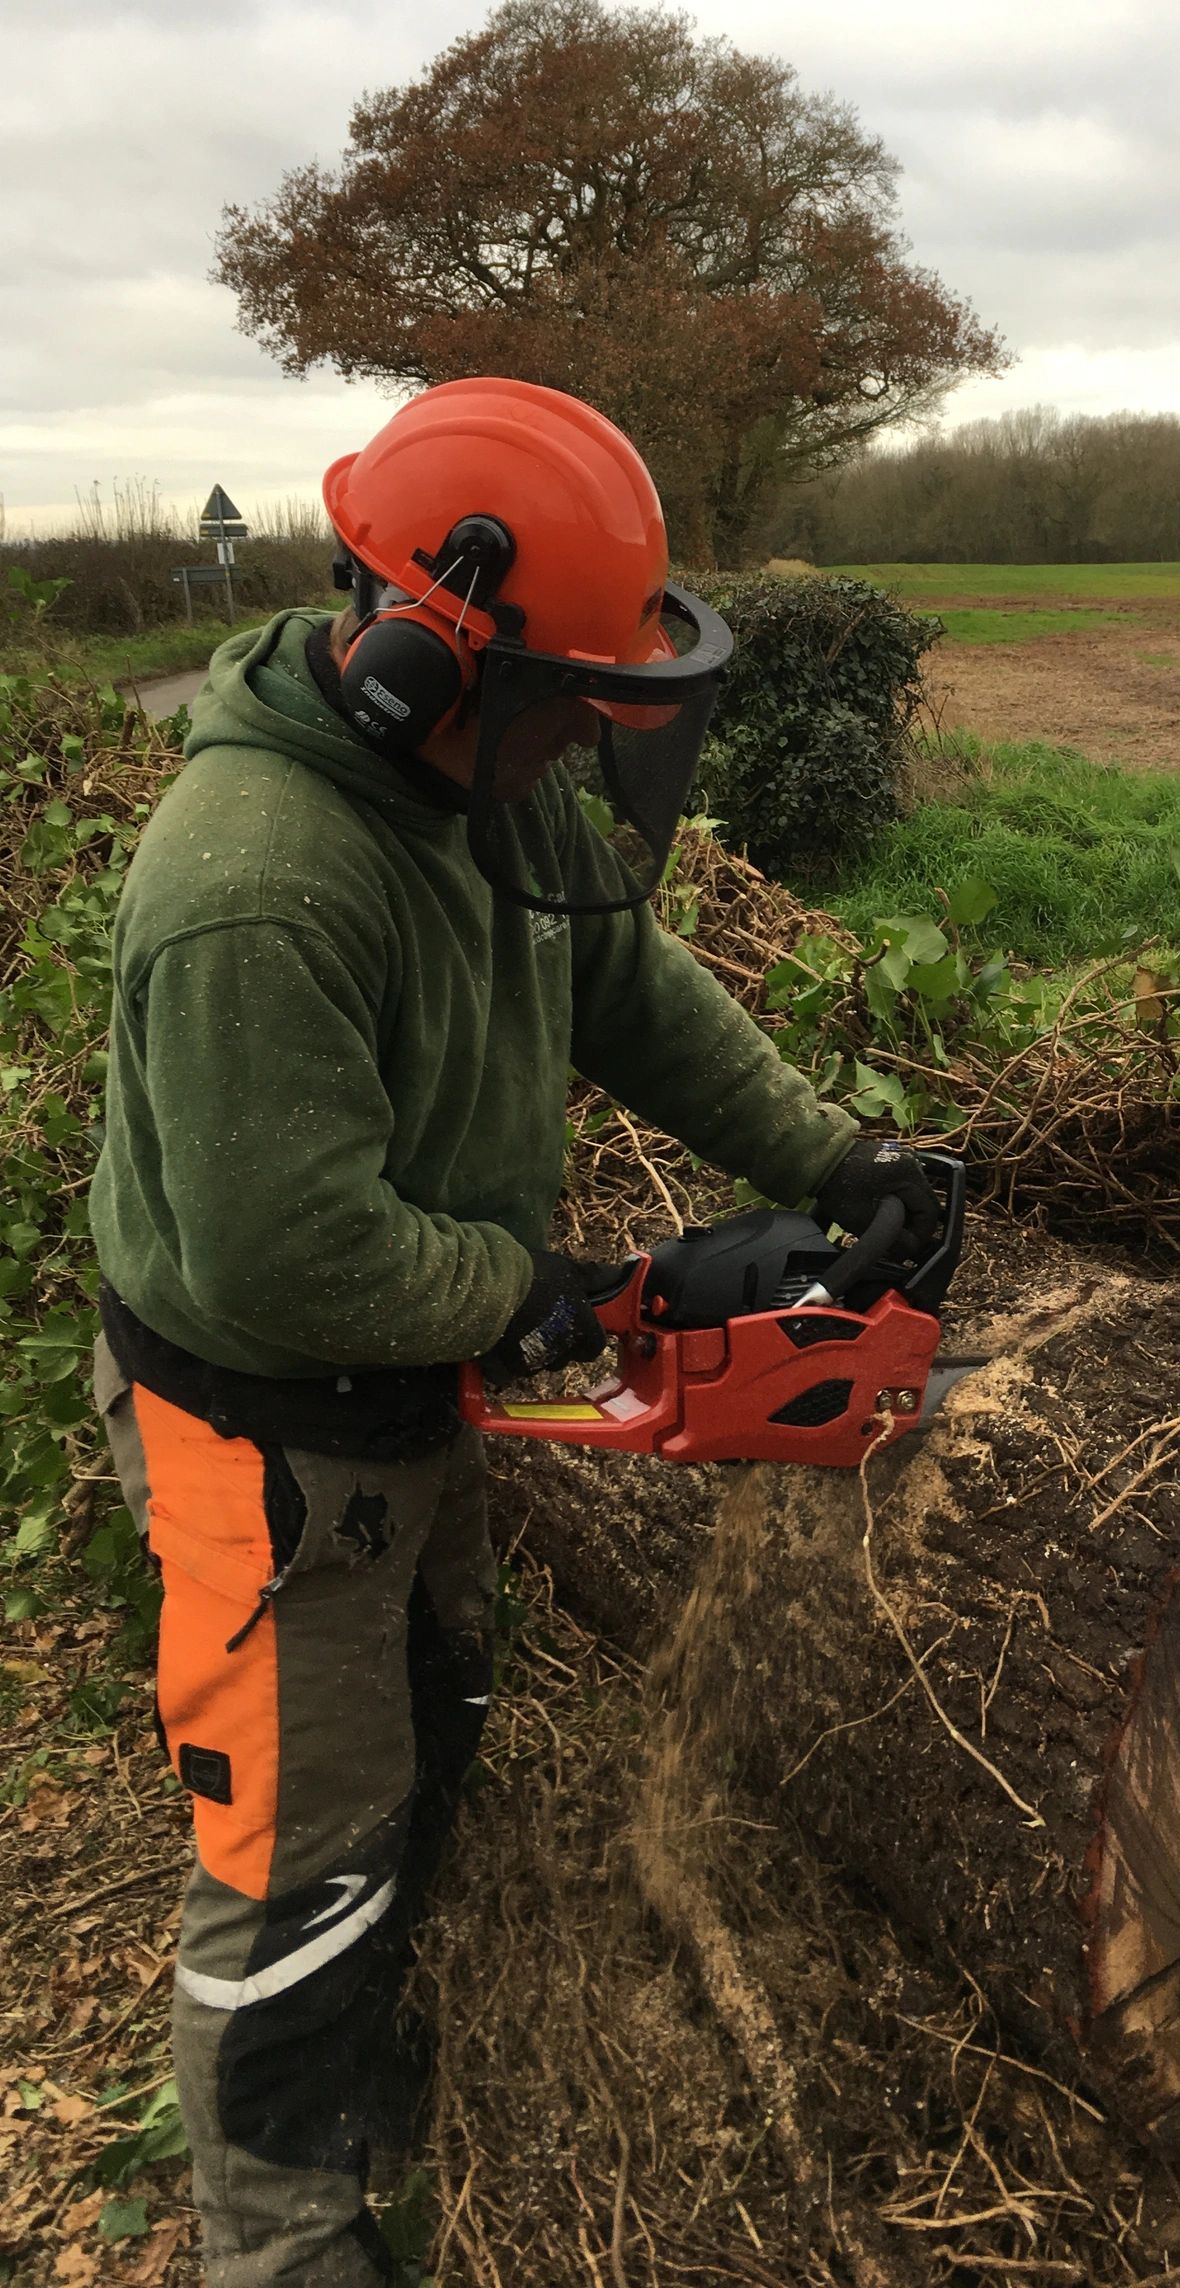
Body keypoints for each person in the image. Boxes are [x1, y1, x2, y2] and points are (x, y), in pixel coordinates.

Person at [88, 377, 943, 2286]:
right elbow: (285, 1250)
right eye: (572, 689)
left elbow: (624, 980)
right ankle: (280, 2237)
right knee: (294, 1859)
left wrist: (833, 1162)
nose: (587, 729)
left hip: (409, 1375)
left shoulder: (485, 771)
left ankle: (386, 2052)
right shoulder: (258, 883)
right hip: (268, 1418)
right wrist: (533, 1297)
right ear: (420, 650)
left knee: (429, 1721)